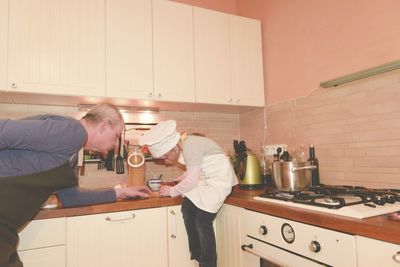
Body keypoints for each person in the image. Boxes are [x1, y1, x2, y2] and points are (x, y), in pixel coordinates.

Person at [0, 103, 151, 267]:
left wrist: (121, 193)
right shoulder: (72, 131)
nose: (116, 143)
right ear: (104, 126)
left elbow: (71, 197)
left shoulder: (72, 154)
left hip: (6, 227)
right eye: (116, 136)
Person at [139, 120, 238, 267]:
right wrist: (177, 180)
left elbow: (192, 179)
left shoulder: (190, 146)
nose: (166, 161)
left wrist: (172, 191)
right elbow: (194, 171)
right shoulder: (186, 146)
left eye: (166, 157)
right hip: (206, 181)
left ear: (173, 149)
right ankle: (198, 255)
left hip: (218, 183)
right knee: (187, 208)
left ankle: (208, 263)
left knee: (202, 222)